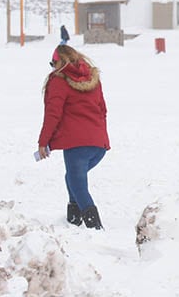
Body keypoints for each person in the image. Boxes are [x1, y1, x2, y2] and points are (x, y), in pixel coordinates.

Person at [37, 45, 110, 229]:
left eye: (53, 63)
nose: (53, 67)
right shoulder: (93, 79)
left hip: (76, 144)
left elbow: (53, 114)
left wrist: (43, 142)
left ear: (61, 62)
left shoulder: (59, 81)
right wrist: (102, 139)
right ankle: (74, 219)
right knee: (73, 177)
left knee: (77, 182)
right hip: (98, 146)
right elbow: (103, 110)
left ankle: (95, 228)